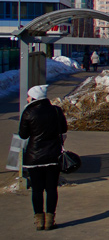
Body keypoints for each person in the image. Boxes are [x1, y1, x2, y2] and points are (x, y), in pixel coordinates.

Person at [19, 85, 68, 231]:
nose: (27, 98)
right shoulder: (56, 110)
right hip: (53, 155)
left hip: (34, 157)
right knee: (51, 189)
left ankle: (39, 221)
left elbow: (23, 135)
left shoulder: (28, 112)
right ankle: (50, 221)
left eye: (29, 96)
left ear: (34, 98)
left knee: (37, 190)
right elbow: (63, 129)